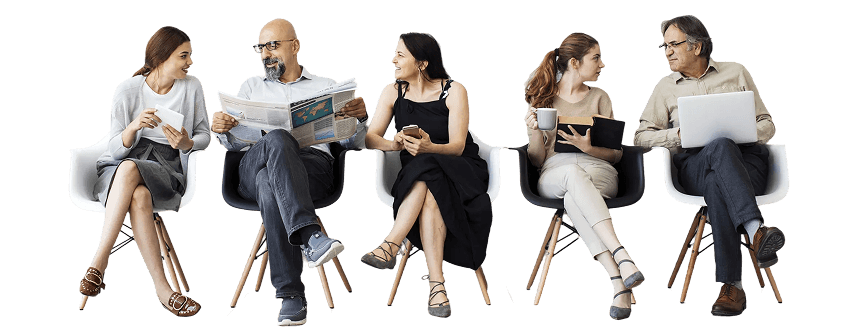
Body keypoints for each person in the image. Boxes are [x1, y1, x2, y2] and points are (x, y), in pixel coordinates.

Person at [210, 18, 368, 327]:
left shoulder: (326, 86)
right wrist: (222, 131)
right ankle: (310, 235)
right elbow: (234, 142)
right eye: (261, 48)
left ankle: (290, 296)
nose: (265, 54)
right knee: (278, 139)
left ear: (294, 46)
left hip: (312, 169)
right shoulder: (250, 86)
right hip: (251, 166)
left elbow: (354, 143)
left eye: (273, 45)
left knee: (271, 185)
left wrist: (359, 120)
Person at [633, 15, 785, 317]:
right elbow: (640, 138)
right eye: (664, 46)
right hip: (694, 167)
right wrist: (676, 135)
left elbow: (767, 122)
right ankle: (756, 231)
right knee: (717, 151)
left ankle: (734, 286)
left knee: (720, 176)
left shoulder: (736, 71)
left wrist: (742, 132)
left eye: (673, 44)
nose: (667, 51)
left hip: (746, 164)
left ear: (697, 45)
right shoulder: (665, 87)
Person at [81, 26, 210, 317]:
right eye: (183, 56)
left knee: (131, 172)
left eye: (189, 55)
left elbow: (205, 135)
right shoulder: (127, 90)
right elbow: (113, 150)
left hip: (167, 168)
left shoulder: (192, 86)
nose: (190, 62)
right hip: (121, 165)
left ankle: (98, 264)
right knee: (137, 194)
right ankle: (164, 291)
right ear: (161, 58)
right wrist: (133, 127)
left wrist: (187, 142)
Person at [362, 32, 491, 318]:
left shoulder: (454, 90)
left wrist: (430, 146)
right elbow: (370, 138)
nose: (393, 60)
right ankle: (437, 287)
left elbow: (458, 146)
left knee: (427, 165)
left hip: (461, 169)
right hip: (419, 175)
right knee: (428, 181)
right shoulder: (392, 91)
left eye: (400, 55)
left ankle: (391, 244)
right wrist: (392, 144)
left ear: (421, 63)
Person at [523, 32, 643, 320]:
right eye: (596, 58)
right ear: (575, 63)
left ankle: (618, 283)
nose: (602, 64)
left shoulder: (601, 97)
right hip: (555, 172)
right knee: (572, 177)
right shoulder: (542, 98)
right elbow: (538, 160)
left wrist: (590, 148)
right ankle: (621, 254)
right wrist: (533, 130)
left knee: (575, 199)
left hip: (599, 171)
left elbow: (615, 155)